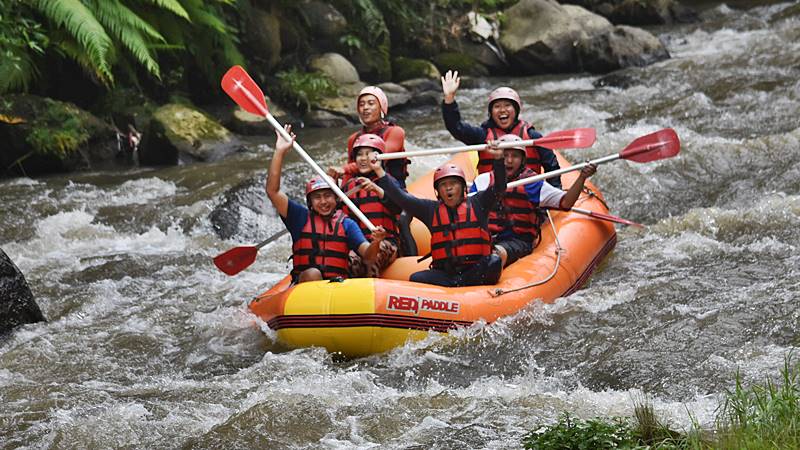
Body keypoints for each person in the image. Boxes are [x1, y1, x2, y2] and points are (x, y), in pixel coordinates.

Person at [370, 145, 506, 287]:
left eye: (453, 183)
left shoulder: (479, 203)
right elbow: (402, 198)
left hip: (474, 272)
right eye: (443, 185)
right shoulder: (430, 209)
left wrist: (498, 160)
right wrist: (379, 170)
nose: (448, 188)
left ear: (463, 187)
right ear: (437, 191)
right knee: (416, 278)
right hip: (446, 275)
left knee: (494, 262)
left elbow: (499, 188)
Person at [266, 124, 387, 284]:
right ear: (310, 202)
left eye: (328, 196)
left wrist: (377, 241)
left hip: (335, 289)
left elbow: (368, 255)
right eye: (317, 197)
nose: (323, 202)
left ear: (336, 198)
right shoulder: (299, 217)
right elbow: (272, 191)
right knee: (313, 274)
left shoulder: (347, 224)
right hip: (305, 288)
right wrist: (280, 152)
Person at [470, 134, 597, 268]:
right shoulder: (482, 182)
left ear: (523, 160)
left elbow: (566, 202)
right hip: (487, 238)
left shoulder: (532, 183)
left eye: (515, 156)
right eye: (505, 155)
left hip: (518, 241)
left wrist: (582, 177)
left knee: (495, 255)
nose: (509, 160)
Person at [440, 69, 563, 188]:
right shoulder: (482, 135)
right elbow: (456, 128)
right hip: (492, 198)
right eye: (497, 106)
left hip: (527, 197)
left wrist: (555, 196)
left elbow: (551, 166)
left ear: (516, 110)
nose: (502, 110)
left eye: (507, 105)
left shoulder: (532, 136)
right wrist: (449, 99)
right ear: (491, 113)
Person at [338, 133, 403, 277]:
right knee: (346, 261)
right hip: (359, 245)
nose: (363, 158)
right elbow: (333, 216)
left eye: (368, 154)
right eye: (359, 154)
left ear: (378, 157)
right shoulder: (349, 186)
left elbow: (399, 207)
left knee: (372, 257)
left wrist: (376, 189)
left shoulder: (388, 182)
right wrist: (332, 180)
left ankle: (372, 293)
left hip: (386, 243)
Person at [329, 86, 410, 188]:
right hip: (364, 190)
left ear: (381, 107)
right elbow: (350, 175)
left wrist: (345, 169)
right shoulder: (353, 139)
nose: (365, 107)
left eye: (371, 103)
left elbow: (377, 159)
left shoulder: (395, 132)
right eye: (361, 104)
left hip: (392, 190)